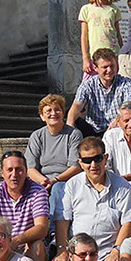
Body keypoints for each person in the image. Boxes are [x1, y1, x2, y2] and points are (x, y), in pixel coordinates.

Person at [51, 137, 131, 261]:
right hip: (76, 254)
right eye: (87, 160)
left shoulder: (123, 187)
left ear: (106, 158)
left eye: (97, 158)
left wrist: (117, 250)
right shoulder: (72, 185)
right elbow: (62, 220)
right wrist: (62, 250)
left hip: (108, 254)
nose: (93, 164)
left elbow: (129, 222)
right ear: (80, 162)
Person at [26, 94, 83, 236]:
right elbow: (30, 168)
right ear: (42, 116)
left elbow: (76, 166)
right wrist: (43, 181)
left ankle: (52, 231)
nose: (53, 114)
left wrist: (55, 180)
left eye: (57, 110)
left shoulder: (74, 134)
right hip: (42, 180)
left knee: (58, 188)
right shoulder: (37, 136)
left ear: (63, 113)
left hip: (66, 179)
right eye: (48, 111)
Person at [67, 48, 131, 138]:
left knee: (126, 119)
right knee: (75, 121)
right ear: (95, 68)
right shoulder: (88, 85)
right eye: (105, 67)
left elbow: (128, 106)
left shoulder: (126, 83)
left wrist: (117, 120)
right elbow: (77, 105)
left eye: (112, 66)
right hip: (92, 129)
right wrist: (70, 123)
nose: (109, 70)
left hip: (116, 128)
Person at [79, 0, 122, 79]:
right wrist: (85, 58)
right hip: (95, 55)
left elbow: (117, 34)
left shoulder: (113, 10)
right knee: (89, 85)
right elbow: (84, 36)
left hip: (112, 53)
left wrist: (121, 55)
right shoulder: (86, 9)